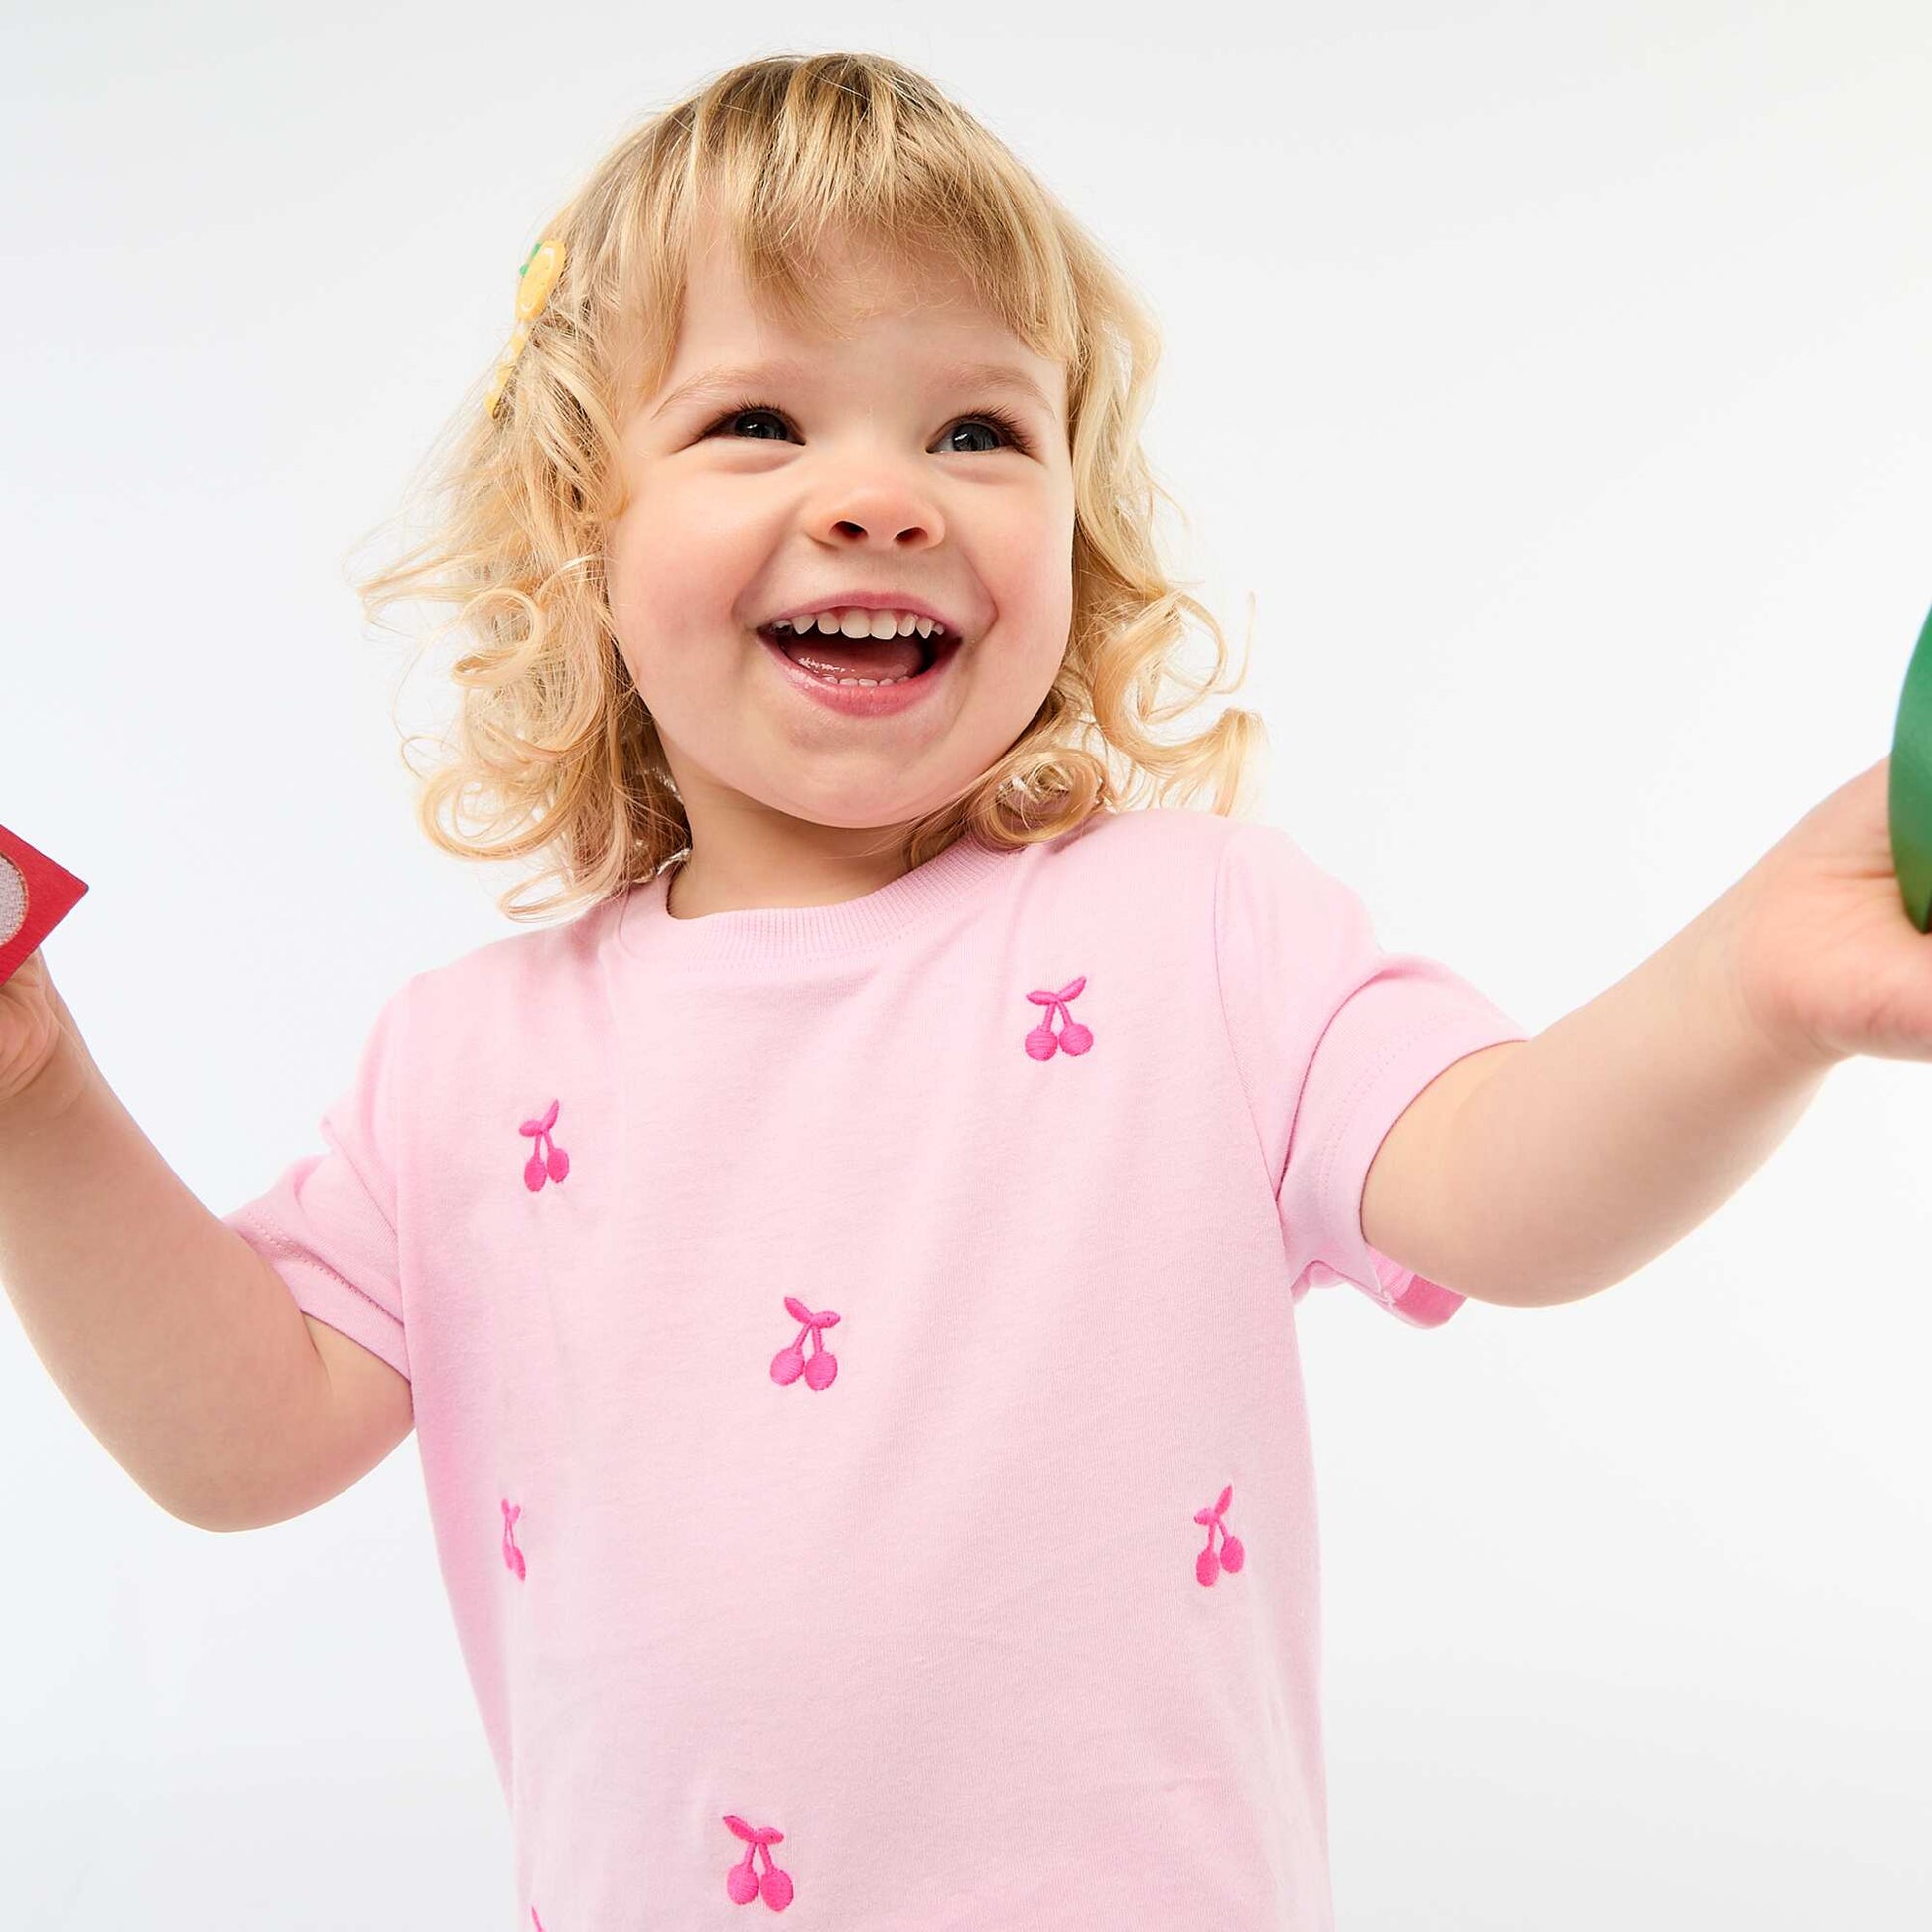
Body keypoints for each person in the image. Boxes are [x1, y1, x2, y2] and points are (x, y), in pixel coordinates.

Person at [0, 48, 1904, 1931]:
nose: (881, 497)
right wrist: (37, 1091)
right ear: (584, 518)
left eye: (977, 432)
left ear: (1076, 522)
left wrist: (1753, 989)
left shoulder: (1200, 935)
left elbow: (1509, 1187)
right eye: (759, 419)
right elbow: (237, 1438)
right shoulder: (472, 1060)